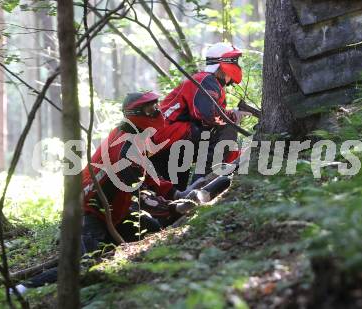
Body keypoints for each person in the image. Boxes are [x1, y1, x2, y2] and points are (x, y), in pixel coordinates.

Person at [14, 91, 192, 292]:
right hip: (89, 212)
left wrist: (175, 195)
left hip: (115, 212)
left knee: (151, 230)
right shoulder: (124, 145)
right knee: (84, 265)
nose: (157, 112)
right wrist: (171, 207)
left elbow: (147, 176)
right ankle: (19, 290)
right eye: (151, 109)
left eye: (156, 107)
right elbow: (140, 191)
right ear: (136, 113)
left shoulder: (134, 137)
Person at [151, 42, 251, 190]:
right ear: (224, 64)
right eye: (236, 61)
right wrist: (233, 116)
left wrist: (232, 113)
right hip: (171, 137)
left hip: (170, 144)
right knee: (227, 127)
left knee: (177, 194)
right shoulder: (206, 80)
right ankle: (203, 182)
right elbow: (208, 116)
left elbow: (208, 113)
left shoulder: (207, 81)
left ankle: (186, 199)